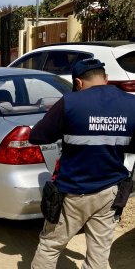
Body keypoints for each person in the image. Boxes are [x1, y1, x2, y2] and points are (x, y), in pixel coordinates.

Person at [29, 58, 135, 269]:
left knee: (50, 245)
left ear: (78, 82)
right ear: (105, 78)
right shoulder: (131, 104)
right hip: (109, 193)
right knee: (99, 255)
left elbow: (37, 136)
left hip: (73, 193)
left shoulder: (70, 103)